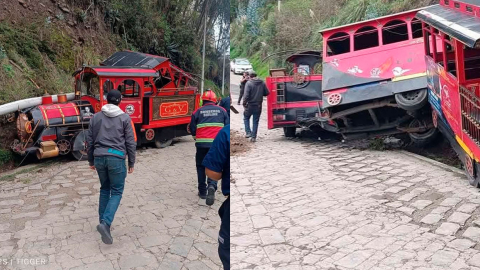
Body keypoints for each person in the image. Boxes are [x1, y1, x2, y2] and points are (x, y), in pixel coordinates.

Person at [86, 89, 137, 245]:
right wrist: (131, 162)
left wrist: (91, 161)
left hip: (99, 158)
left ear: (106, 100)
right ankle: (106, 224)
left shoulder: (95, 118)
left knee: (104, 189)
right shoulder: (125, 118)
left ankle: (102, 221)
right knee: (116, 191)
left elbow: (89, 141)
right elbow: (130, 142)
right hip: (116, 159)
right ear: (120, 101)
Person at [190, 89, 229, 204]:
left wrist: (196, 139)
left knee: (201, 166)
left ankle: (202, 192)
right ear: (215, 100)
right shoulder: (222, 111)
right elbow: (227, 128)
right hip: (216, 145)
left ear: (203, 100)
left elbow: (192, 129)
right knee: (214, 166)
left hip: (201, 144)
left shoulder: (197, 112)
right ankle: (211, 186)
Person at [202, 124, 230, 270]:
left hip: (202, 142)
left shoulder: (225, 133)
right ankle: (211, 186)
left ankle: (205, 189)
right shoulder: (224, 117)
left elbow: (193, 126)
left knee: (209, 167)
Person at [243, 70, 269, 142]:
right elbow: (267, 93)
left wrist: (244, 103)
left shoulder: (248, 83)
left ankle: (248, 132)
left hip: (250, 105)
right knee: (255, 121)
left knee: (246, 117)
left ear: (250, 76)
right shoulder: (262, 83)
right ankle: (254, 137)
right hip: (258, 105)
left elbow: (246, 95)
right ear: (256, 75)